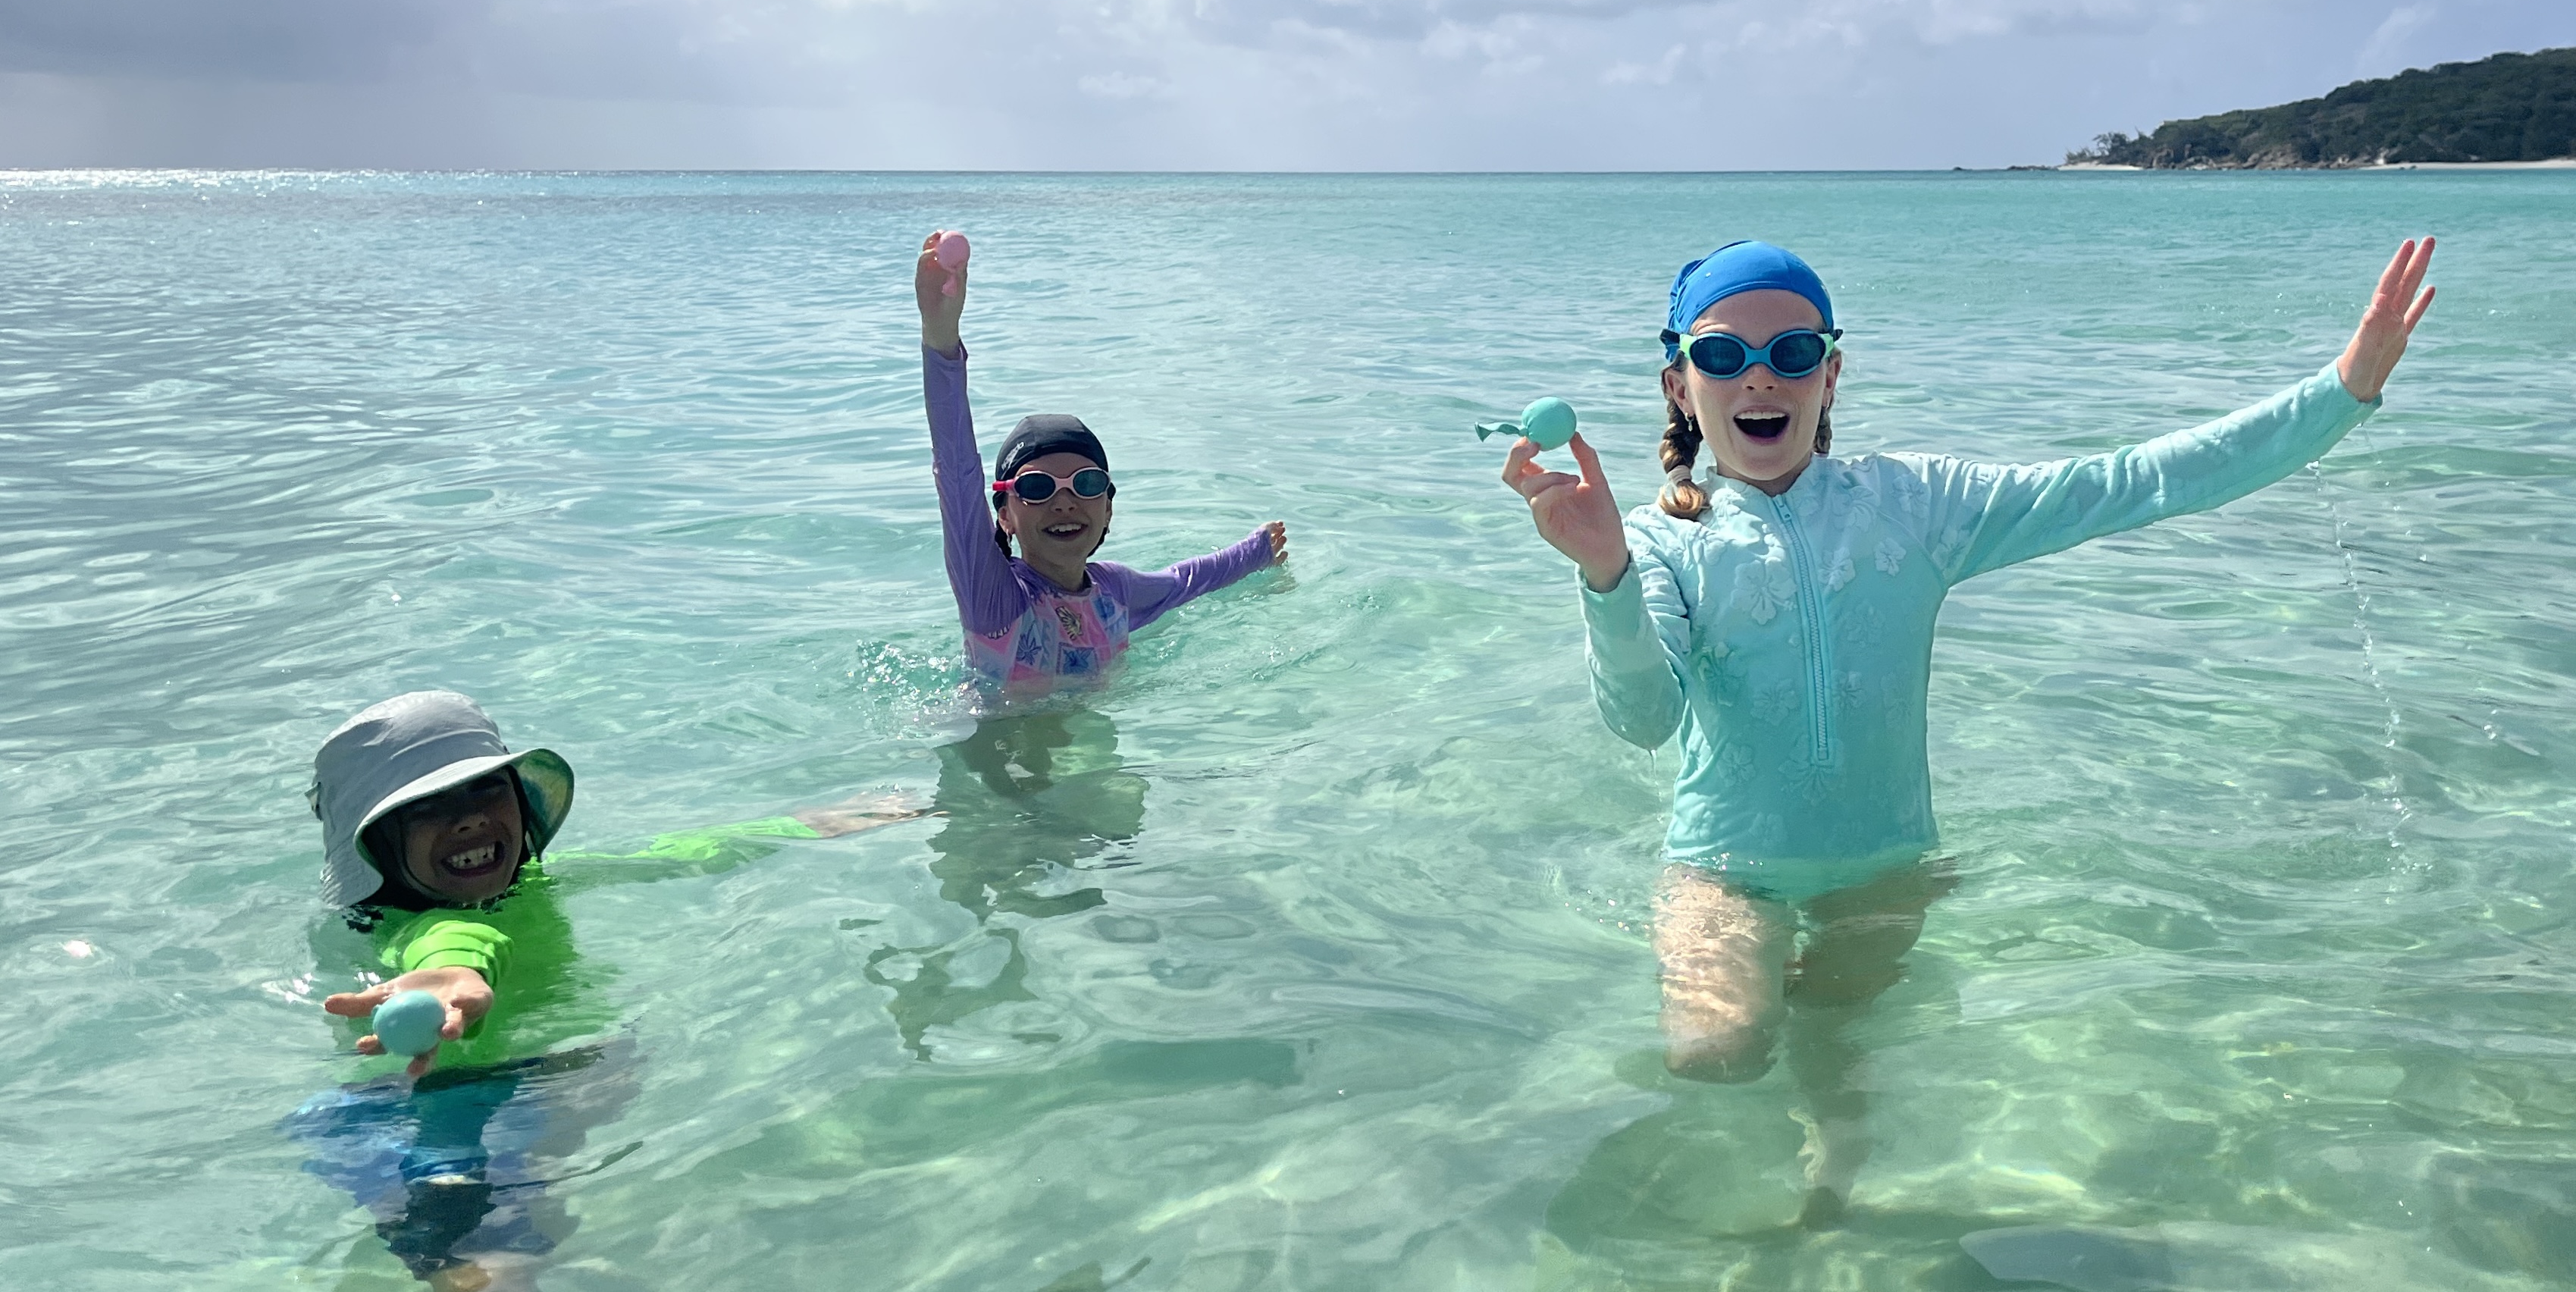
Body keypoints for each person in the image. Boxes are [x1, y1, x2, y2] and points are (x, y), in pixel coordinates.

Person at [1502, 237, 2435, 1214]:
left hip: (1885, 862)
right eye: (1723, 356)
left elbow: (2129, 481)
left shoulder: (1912, 507)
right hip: (1723, 872)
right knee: (1717, 1055)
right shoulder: (1660, 538)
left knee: (1841, 1068)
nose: (1758, 379)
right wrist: (1604, 574)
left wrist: (2339, 392)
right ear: (1681, 387)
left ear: (1829, 373)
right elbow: (1642, 720)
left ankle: (1828, 1229)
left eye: (1789, 354)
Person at [290, 690, 918, 1290]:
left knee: (479, 1262)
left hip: (376, 1110)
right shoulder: (432, 928)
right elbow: (458, 946)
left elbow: (675, 853)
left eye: (486, 786)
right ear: (373, 845)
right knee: (496, 1269)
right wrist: (456, 977)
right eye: (428, 806)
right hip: (476, 1107)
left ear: (521, 800)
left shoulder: (537, 882)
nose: (471, 817)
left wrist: (806, 825)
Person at [917, 231, 1287, 698]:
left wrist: (1256, 553)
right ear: (1005, 514)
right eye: (1036, 488)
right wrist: (941, 337)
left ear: (1108, 509)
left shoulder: (1114, 591)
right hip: (1003, 758)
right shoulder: (994, 598)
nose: (1065, 501)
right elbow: (956, 471)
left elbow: (1184, 582)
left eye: (1086, 484)